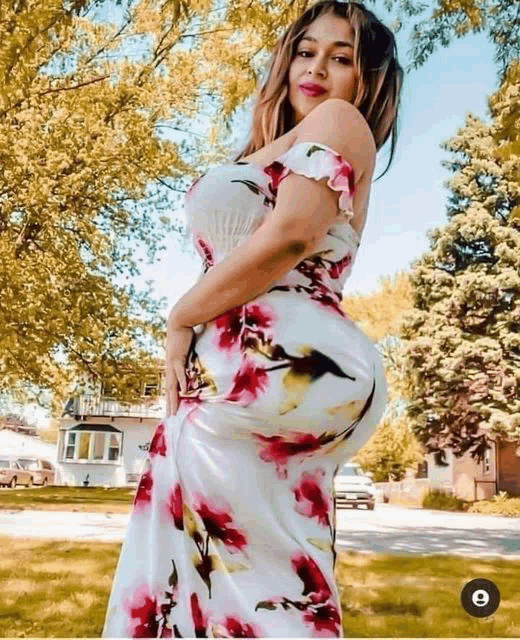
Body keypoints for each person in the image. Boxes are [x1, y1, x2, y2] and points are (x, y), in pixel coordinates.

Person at [102, 1, 403, 637]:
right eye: (305, 50)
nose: (316, 67)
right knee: (236, 570)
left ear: (365, 80)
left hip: (281, 362)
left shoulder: (339, 120)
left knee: (247, 581)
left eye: (341, 57)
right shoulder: (280, 146)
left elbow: (292, 237)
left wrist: (180, 317)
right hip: (265, 363)